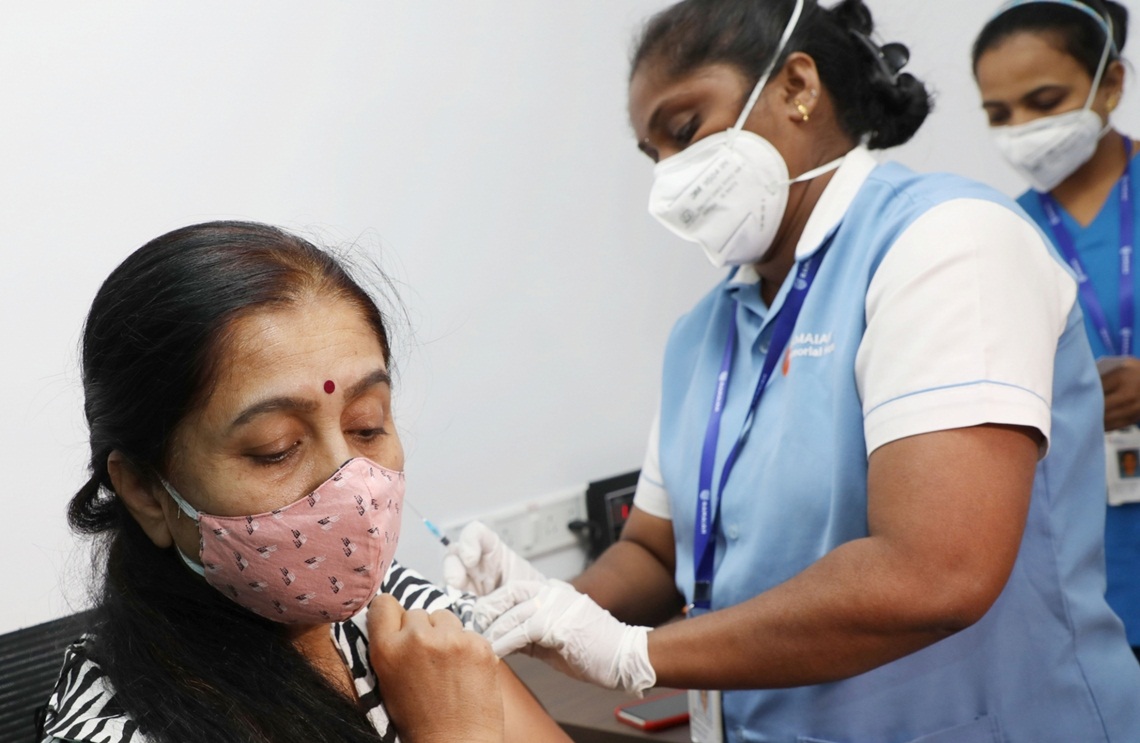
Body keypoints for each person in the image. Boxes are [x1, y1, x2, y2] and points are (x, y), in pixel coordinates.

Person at [444, 0, 1140, 740]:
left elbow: (936, 574)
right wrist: (545, 602)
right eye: (654, 155)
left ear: (797, 87)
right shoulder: (701, 333)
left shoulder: (947, 243)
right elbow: (655, 549)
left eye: (685, 129)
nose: (671, 176)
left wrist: (636, 654)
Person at [37, 221, 570, 743]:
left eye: (366, 425)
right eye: (276, 448)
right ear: (145, 491)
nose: (351, 487)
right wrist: (454, 732)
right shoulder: (115, 730)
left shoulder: (389, 605)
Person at [973, 0, 1140, 665]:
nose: (1023, 129)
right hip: (1082, 551)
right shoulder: (996, 232)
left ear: (1111, 84)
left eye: (1045, 102)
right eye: (999, 113)